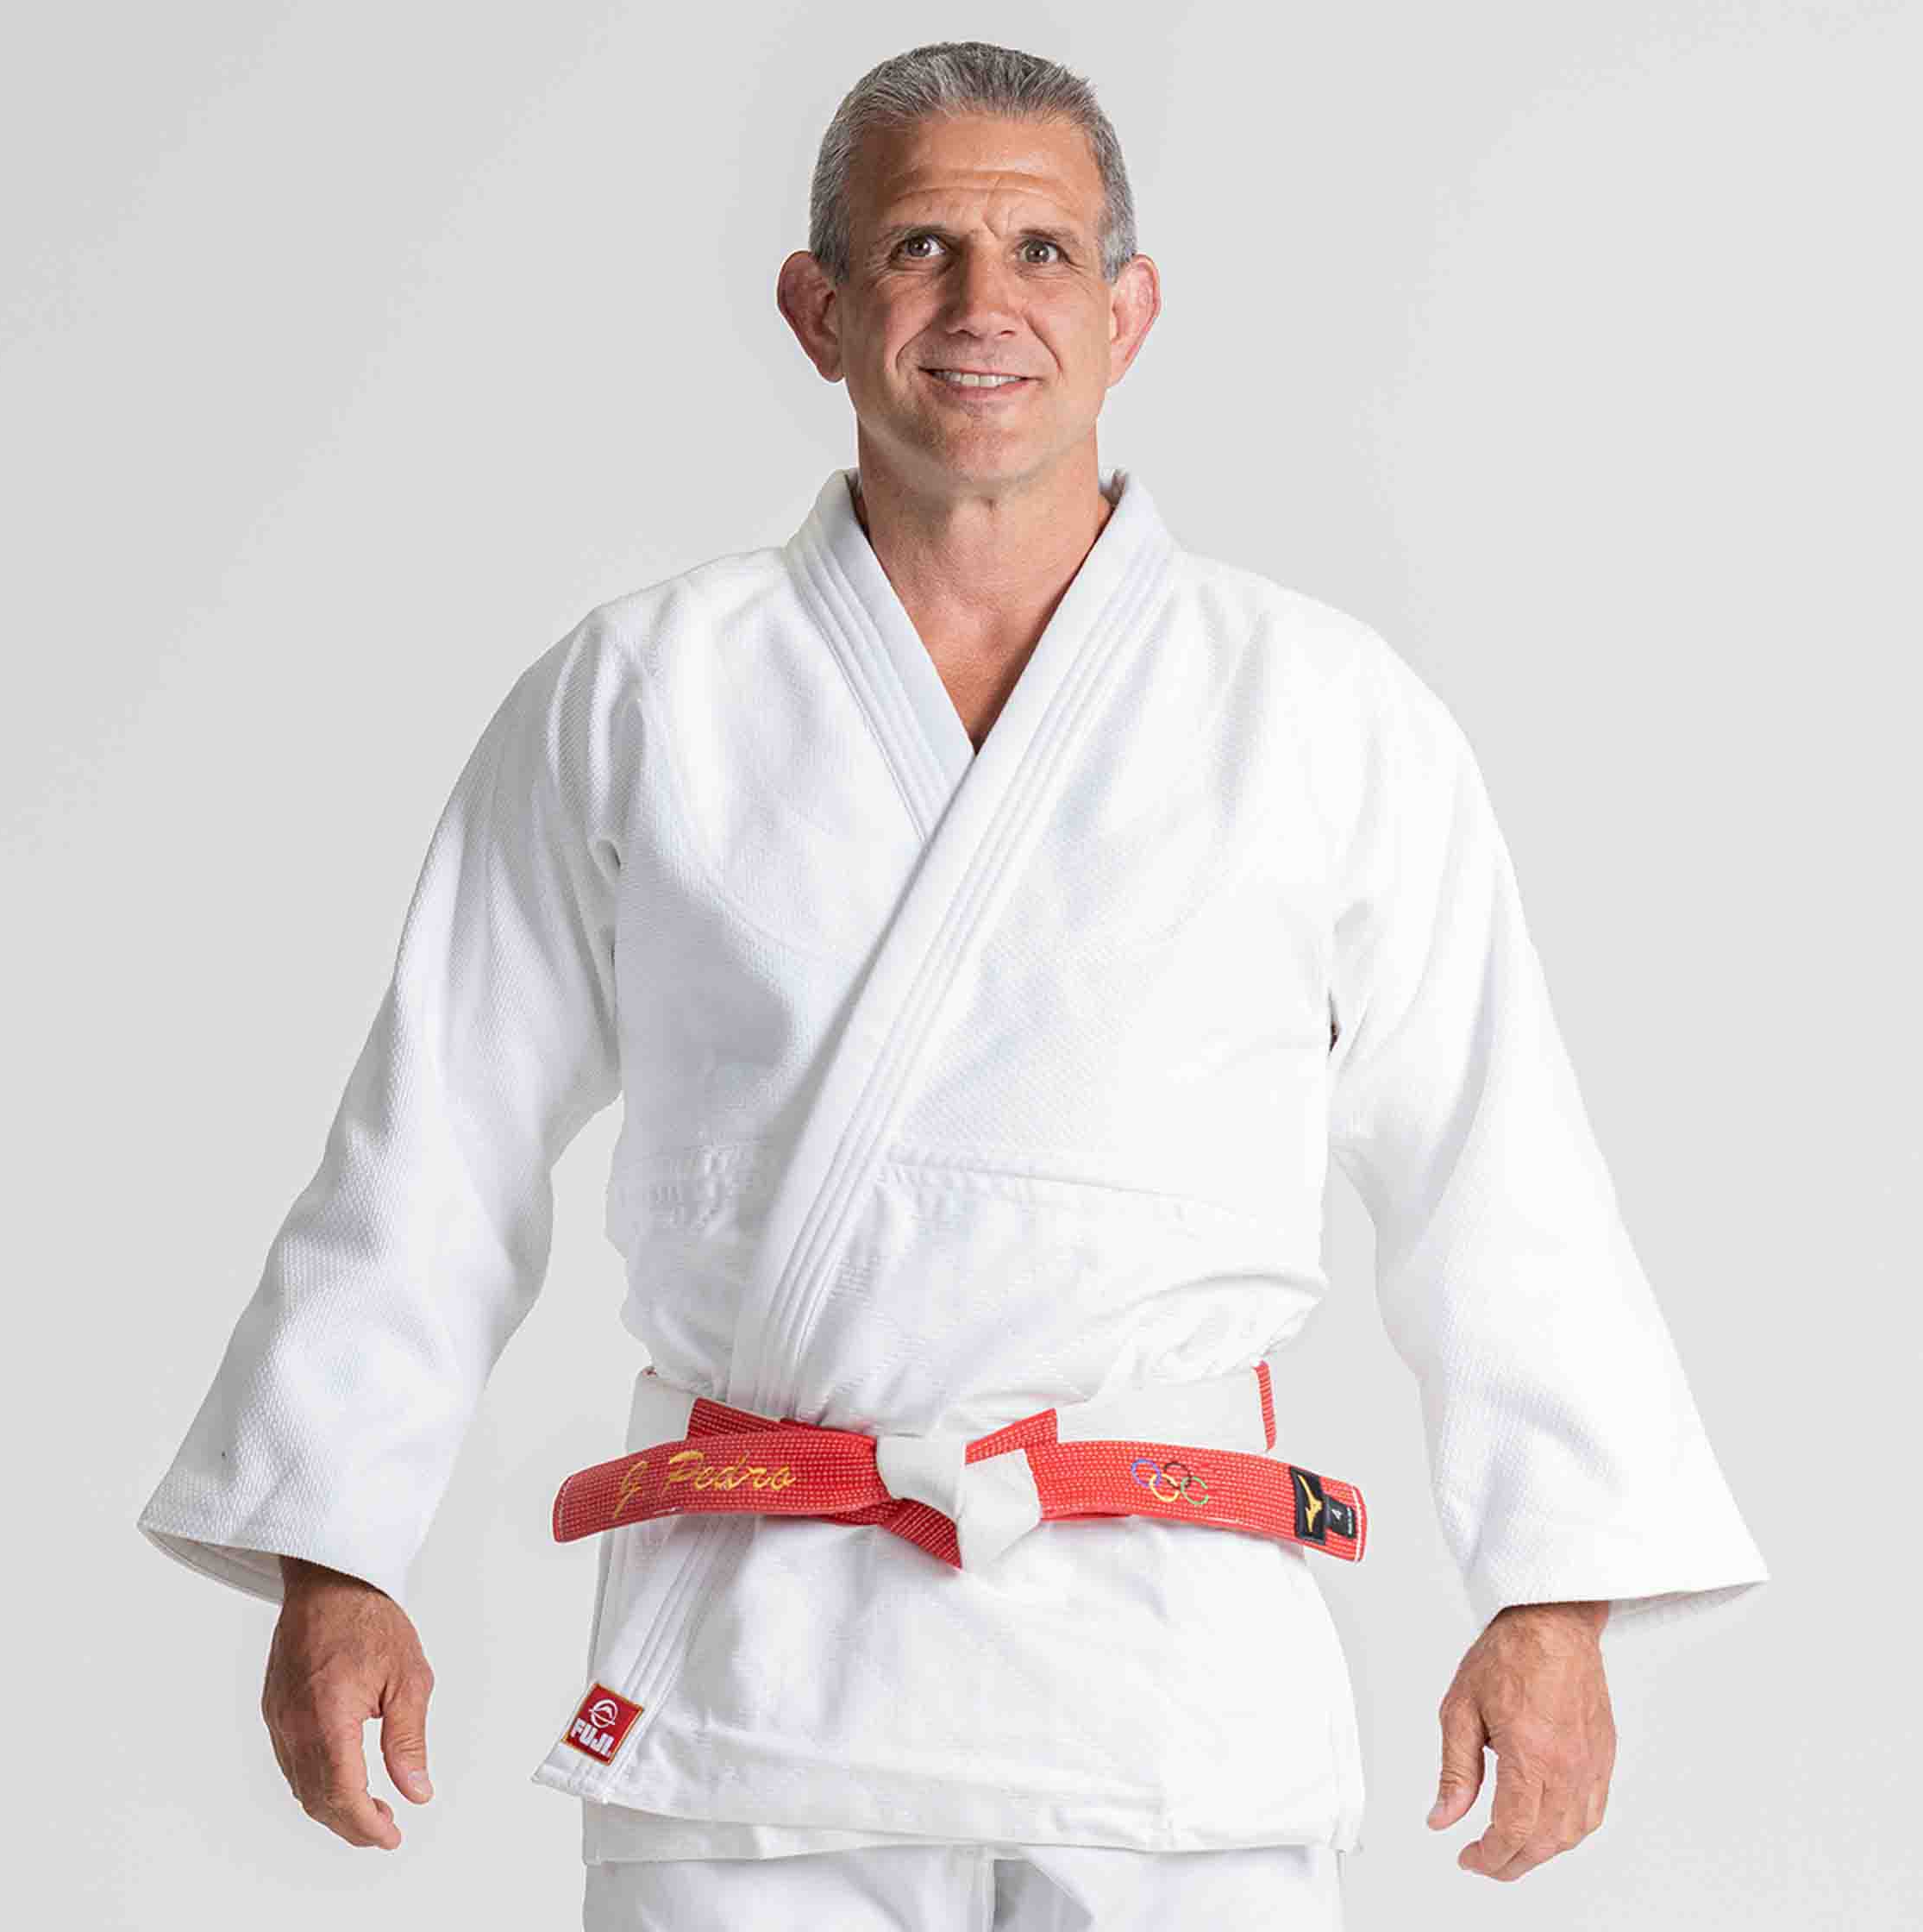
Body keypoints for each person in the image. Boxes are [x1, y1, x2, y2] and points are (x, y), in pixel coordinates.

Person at [136, 39, 1770, 1930]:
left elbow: (1502, 1169)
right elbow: (436, 1133)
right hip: (760, 1690)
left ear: (1130, 310)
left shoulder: (1321, 715)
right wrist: (338, 1556)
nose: (985, 306)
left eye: (1045, 252)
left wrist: (1550, 1595)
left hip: (1172, 1691)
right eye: (920, 248)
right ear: (818, 306)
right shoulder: (649, 696)